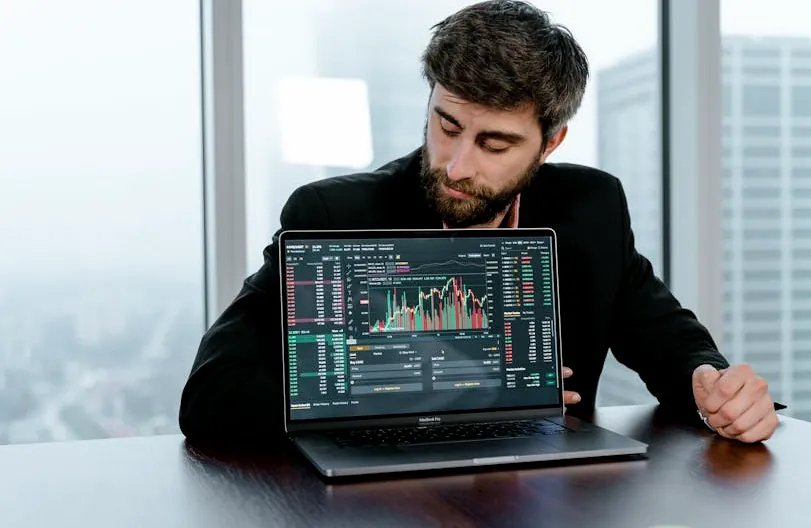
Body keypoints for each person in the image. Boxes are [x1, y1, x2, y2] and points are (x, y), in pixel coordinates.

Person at [179, 0, 779, 446]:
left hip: (550, 501)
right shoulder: (334, 215)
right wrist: (432, 392)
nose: (457, 167)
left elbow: (667, 336)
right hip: (379, 502)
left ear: (549, 143)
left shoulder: (591, 207)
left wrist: (711, 383)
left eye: (494, 143)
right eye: (446, 126)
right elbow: (211, 398)